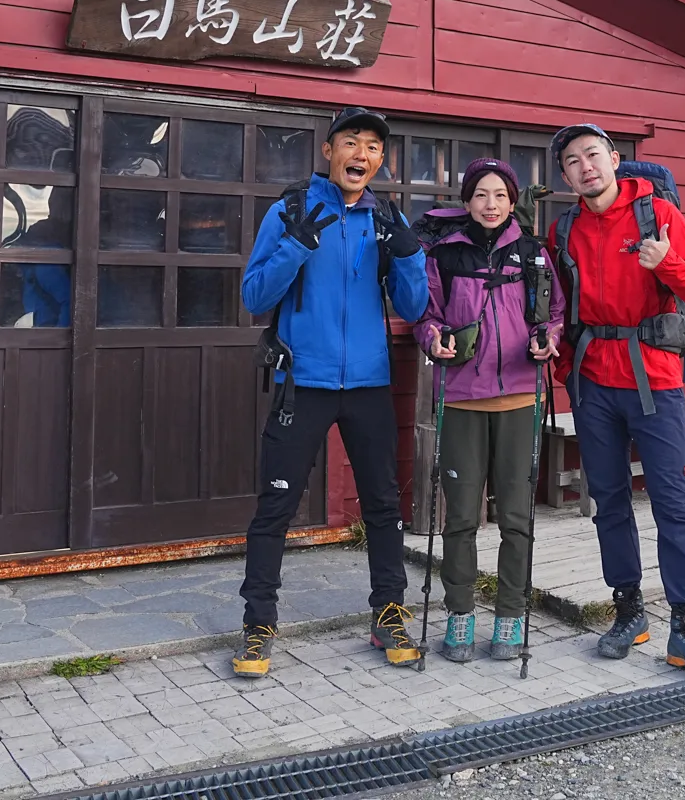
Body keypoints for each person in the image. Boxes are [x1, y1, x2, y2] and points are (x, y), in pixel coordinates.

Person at [232, 107, 430, 677]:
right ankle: (258, 623)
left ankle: (388, 611)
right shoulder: (290, 210)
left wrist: (410, 252)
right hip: (304, 386)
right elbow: (253, 296)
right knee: (276, 506)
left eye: (372, 147)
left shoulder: (386, 219)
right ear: (328, 151)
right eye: (350, 142)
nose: (360, 154)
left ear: (380, 161)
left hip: (369, 385)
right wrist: (295, 246)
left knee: (384, 507)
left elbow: (415, 310)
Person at [547, 123, 685, 679]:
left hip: (654, 377)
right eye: (573, 161)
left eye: (594, 155)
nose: (586, 166)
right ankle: (629, 612)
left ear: (614, 159)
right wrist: (557, 362)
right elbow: (560, 308)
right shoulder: (565, 229)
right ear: (565, 175)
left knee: (673, 503)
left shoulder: (657, 214)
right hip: (594, 381)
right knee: (608, 500)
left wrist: (664, 264)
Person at [414, 159, 563, 663]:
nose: (491, 204)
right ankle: (459, 616)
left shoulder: (534, 255)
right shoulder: (445, 255)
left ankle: (510, 616)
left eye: (500, 195)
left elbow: (556, 314)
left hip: (521, 398)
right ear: (467, 200)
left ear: (512, 199)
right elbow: (427, 316)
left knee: (517, 518)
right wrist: (433, 339)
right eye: (481, 195)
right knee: (459, 518)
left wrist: (549, 340)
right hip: (460, 399)